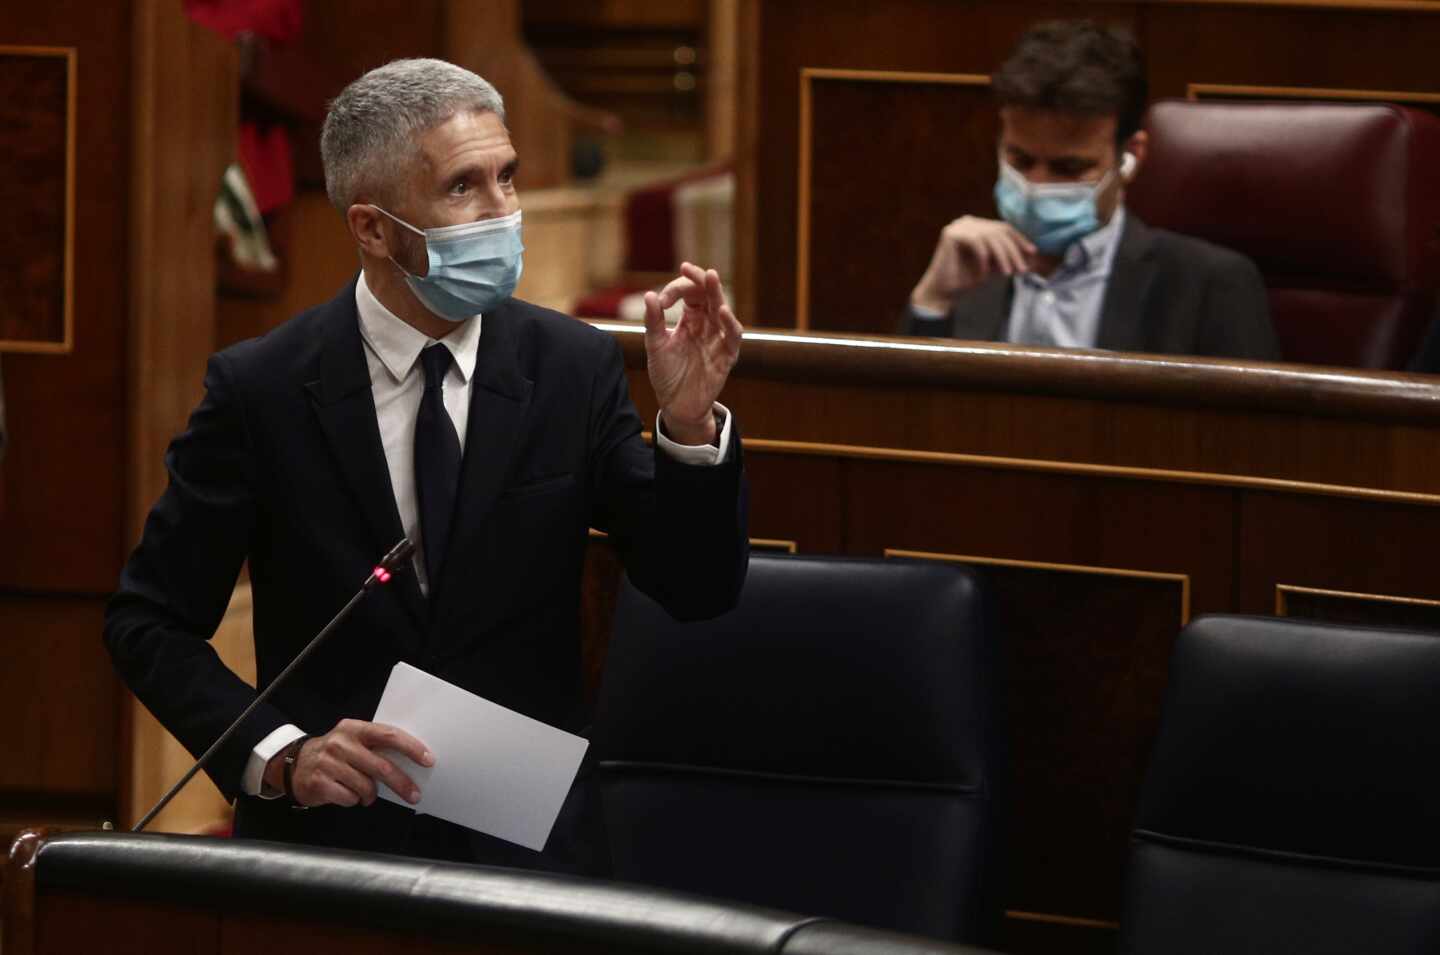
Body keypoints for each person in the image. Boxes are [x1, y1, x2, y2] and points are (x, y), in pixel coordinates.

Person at [104, 58, 748, 872]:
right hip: (333, 855)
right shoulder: (261, 388)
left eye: (507, 177)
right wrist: (283, 754)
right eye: (462, 188)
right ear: (372, 228)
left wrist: (687, 426)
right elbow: (147, 622)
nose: (503, 211)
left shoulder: (572, 369)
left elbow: (697, 588)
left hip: (525, 856)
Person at [903, 20, 1280, 360]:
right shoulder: (968, 270)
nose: (1037, 186)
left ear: (1130, 156)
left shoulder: (1209, 285)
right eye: (1020, 160)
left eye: (1069, 168)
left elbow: (1250, 435)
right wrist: (932, 301)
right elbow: (906, 422)